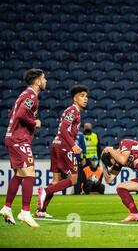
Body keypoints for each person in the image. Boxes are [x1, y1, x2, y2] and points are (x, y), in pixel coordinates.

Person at [1, 69, 47, 228]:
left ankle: (7, 207)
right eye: (44, 78)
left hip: (12, 137)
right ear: (37, 81)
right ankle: (25, 212)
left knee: (19, 174)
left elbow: (11, 114)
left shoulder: (23, 95)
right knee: (30, 174)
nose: (45, 81)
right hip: (19, 139)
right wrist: (35, 122)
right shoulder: (31, 95)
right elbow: (20, 114)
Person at [36, 85, 89, 218]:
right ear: (74, 98)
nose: (85, 98)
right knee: (73, 179)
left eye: (86, 96)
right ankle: (45, 191)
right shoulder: (73, 111)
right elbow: (64, 129)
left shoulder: (71, 111)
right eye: (82, 96)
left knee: (56, 181)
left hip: (56, 145)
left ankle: (41, 210)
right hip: (65, 146)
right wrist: (73, 145)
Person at [74, 130, 87, 195]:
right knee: (65, 176)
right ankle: (63, 194)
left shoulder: (80, 135)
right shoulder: (66, 132)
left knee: (78, 176)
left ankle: (77, 192)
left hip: (77, 158)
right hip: (67, 157)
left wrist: (84, 157)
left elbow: (83, 146)